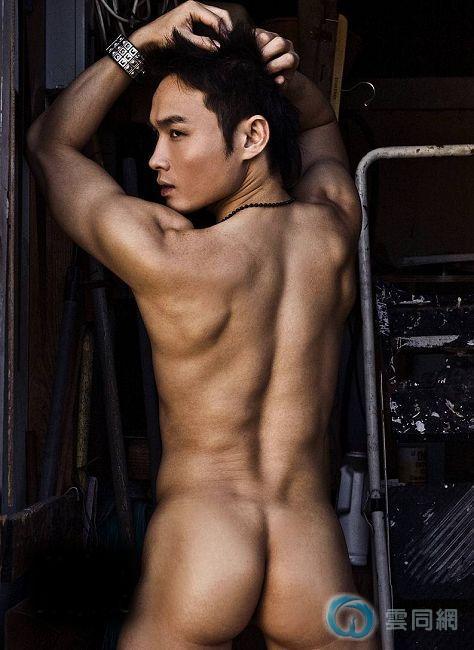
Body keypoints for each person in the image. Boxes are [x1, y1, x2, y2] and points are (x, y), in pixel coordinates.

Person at [27, 2, 378, 648]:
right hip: (310, 550)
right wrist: (282, 74)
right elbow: (320, 122)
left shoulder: (168, 253)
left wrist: (140, 43)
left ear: (251, 138)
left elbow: (50, 144)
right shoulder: (331, 228)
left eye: (177, 133)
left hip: (203, 542)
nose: (156, 158)